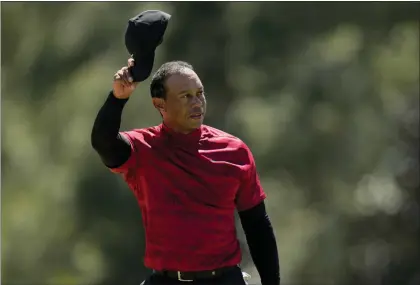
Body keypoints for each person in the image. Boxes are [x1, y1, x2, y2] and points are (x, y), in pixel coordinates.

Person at [91, 58, 280, 285]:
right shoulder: (143, 149)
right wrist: (118, 98)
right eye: (185, 96)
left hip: (224, 280)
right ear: (160, 104)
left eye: (199, 93)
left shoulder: (234, 151)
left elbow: (257, 224)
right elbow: (103, 142)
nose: (197, 102)